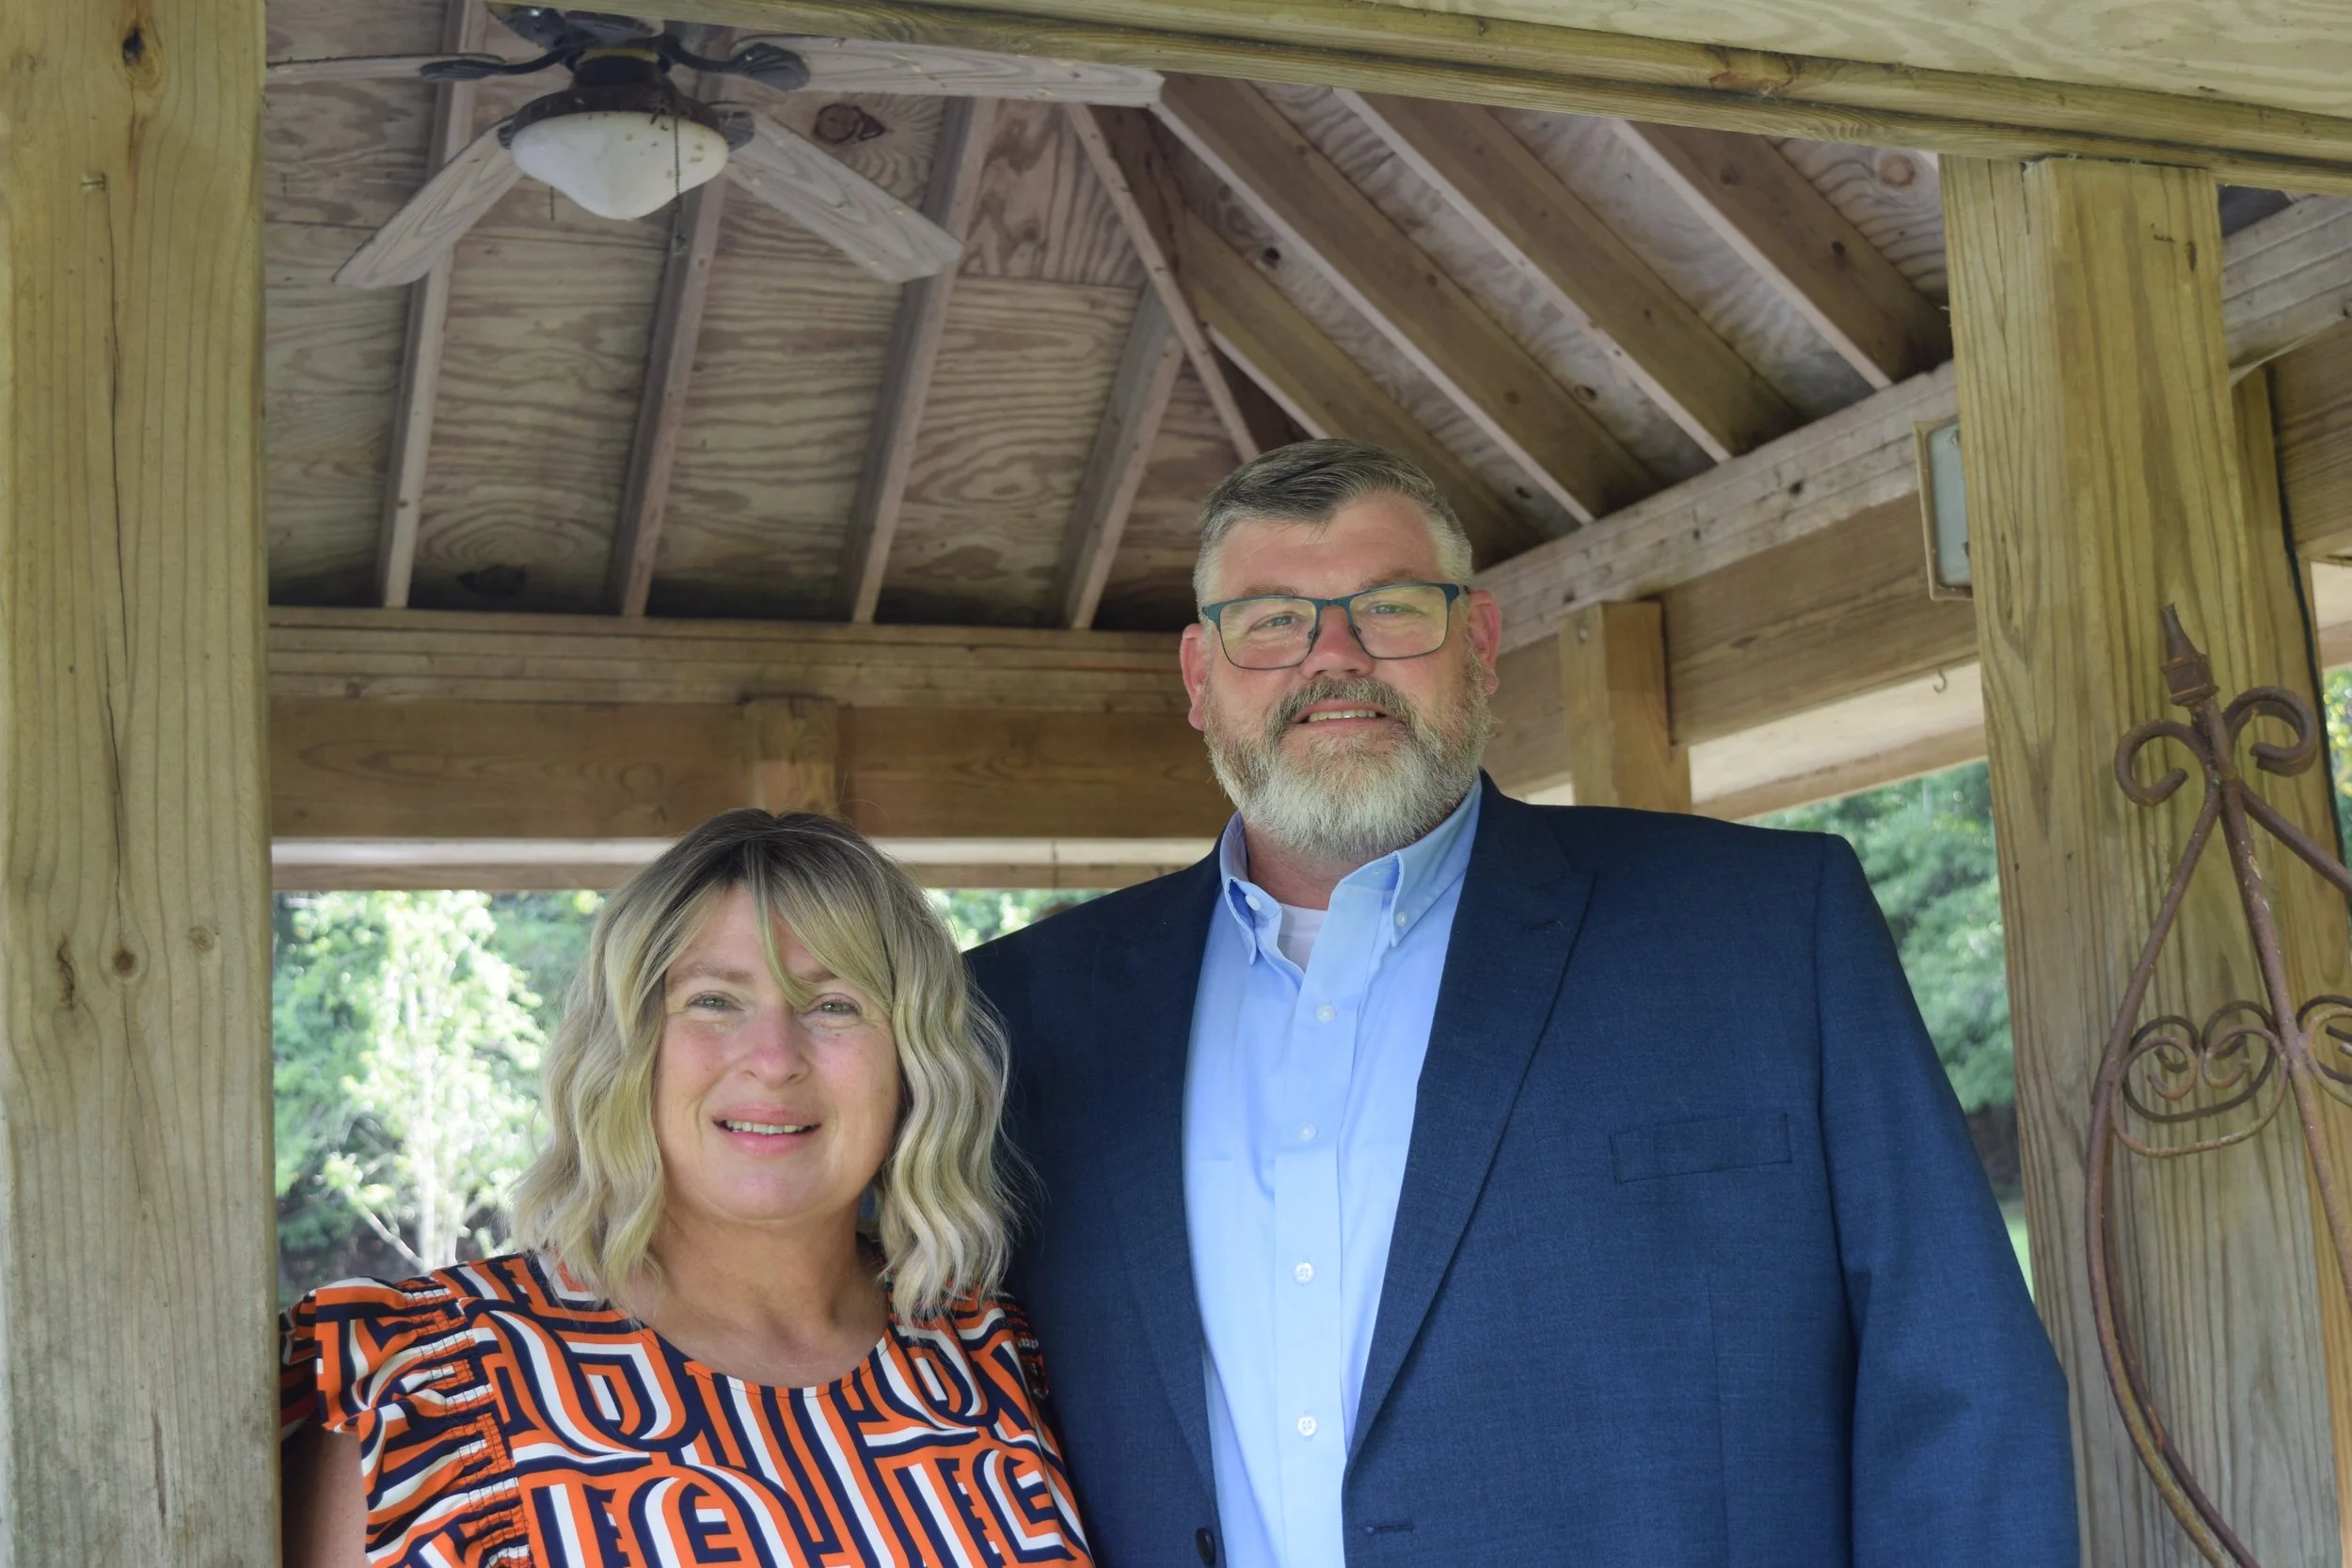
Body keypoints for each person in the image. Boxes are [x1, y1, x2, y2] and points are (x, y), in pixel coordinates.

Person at [968, 439, 2076, 1568]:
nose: (1335, 656)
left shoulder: (1763, 930)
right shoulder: (1024, 1013)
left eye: (1393, 610)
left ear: (1480, 645)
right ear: (1200, 678)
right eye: (1272, 622)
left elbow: (1960, 1387)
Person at [279, 811, 1091, 1568]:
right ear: (629, 1050)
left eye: (835, 1004)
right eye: (713, 1000)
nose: (773, 1057)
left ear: (913, 1065)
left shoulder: (1000, 1355)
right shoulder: (435, 1391)